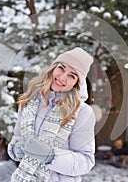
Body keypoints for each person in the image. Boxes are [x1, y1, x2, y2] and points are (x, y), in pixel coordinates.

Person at [8, 47, 96, 182]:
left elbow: (86, 161)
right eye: (61, 68)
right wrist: (16, 149)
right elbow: (17, 137)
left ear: (77, 83)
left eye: (72, 75)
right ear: (53, 67)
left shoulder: (83, 112)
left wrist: (51, 156)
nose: (62, 77)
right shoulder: (29, 101)